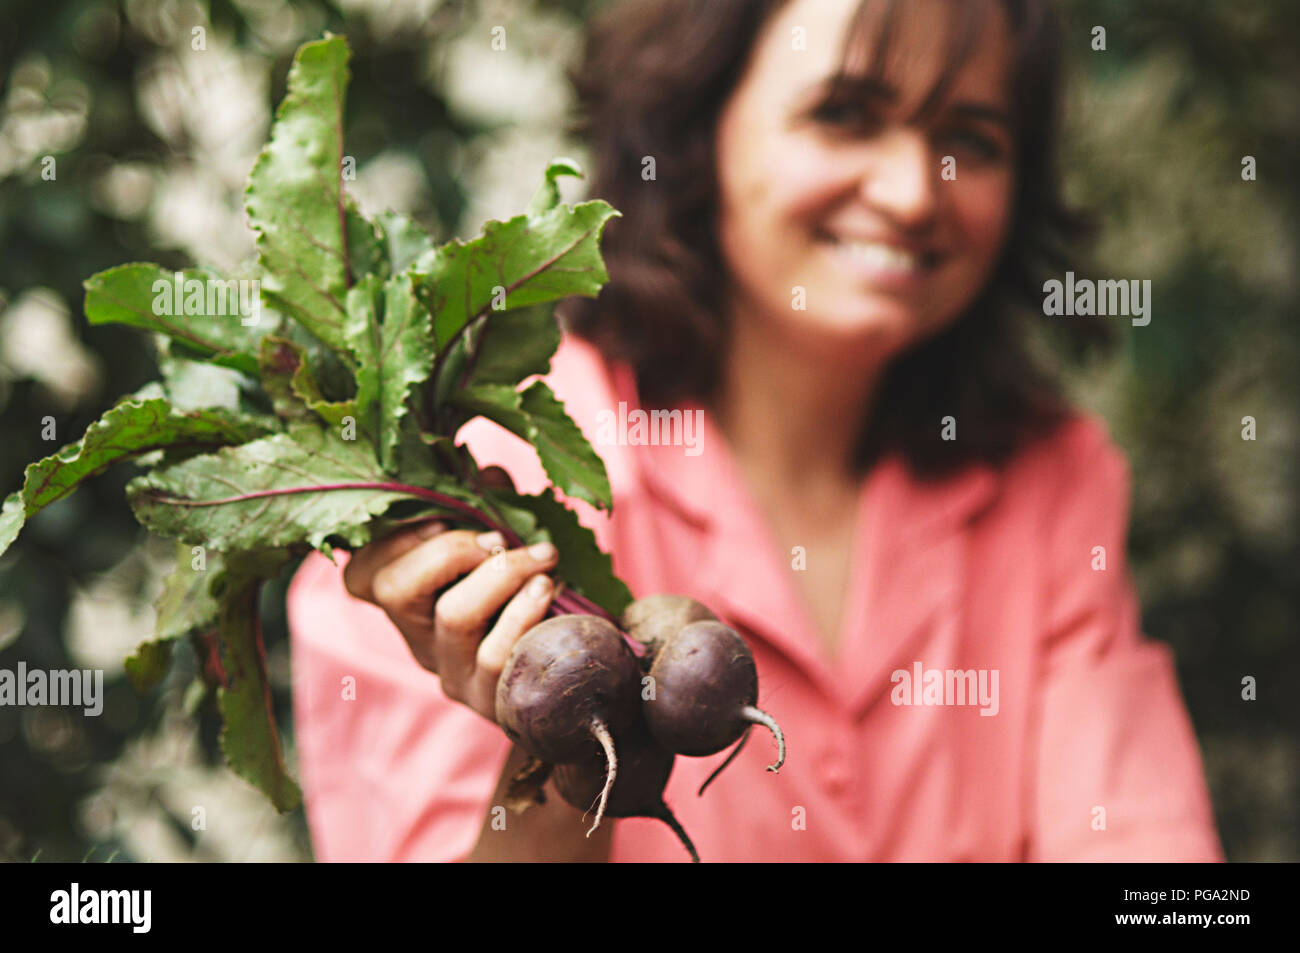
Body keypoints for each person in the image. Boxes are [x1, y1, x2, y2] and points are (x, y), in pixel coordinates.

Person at [285, 0, 1223, 861]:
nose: (910, 191)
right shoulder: (476, 483)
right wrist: (564, 763)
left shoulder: (1050, 481)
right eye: (846, 114)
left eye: (968, 140)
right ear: (698, 127)